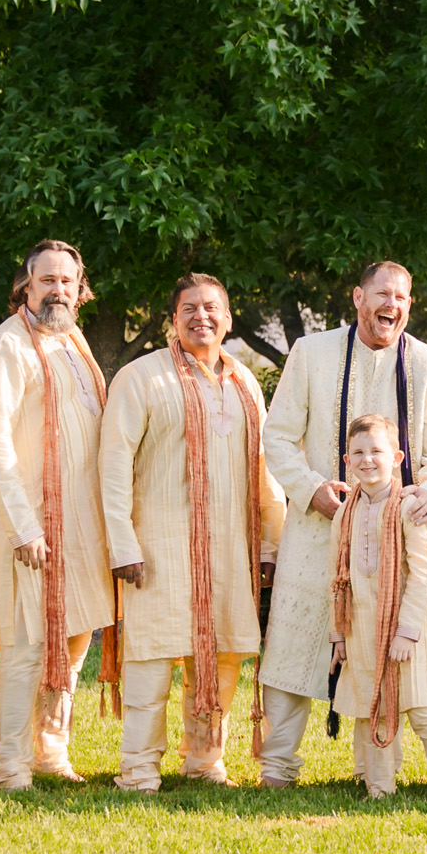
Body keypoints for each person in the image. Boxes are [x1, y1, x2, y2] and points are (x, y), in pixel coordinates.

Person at [258, 261, 427, 788]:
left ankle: (374, 768)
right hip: (316, 528)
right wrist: (310, 489)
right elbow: (277, 436)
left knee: (382, 643)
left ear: (410, 305)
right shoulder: (312, 352)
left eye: (401, 295)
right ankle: (277, 769)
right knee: (293, 642)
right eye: (380, 293)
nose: (390, 304)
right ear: (357, 297)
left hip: (395, 536)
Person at [99, 274, 285, 791]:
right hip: (157, 545)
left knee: (222, 655)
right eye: (189, 309)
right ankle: (138, 768)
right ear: (173, 320)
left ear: (228, 320)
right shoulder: (141, 378)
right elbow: (112, 466)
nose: (201, 317)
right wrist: (122, 544)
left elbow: (265, 470)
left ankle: (204, 761)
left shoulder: (245, 382)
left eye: (212, 308)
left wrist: (271, 544)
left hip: (228, 548)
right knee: (153, 655)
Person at [0, 240, 114, 789]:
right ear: (25, 286)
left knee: (74, 640)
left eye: (67, 281)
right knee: (30, 645)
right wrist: (23, 526)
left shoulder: (72, 340)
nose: (58, 290)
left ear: (81, 291)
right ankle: (10, 765)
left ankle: (50, 752)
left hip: (82, 522)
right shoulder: (7, 346)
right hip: (31, 524)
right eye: (47, 280)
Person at [330, 414, 427, 806]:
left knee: (424, 711)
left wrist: (407, 631)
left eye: (377, 451)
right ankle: (379, 787)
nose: (367, 460)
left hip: (409, 630)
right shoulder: (344, 513)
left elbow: (422, 574)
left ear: (398, 457)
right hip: (363, 628)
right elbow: (335, 578)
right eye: (358, 453)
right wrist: (338, 635)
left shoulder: (409, 507)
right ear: (347, 460)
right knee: (376, 711)